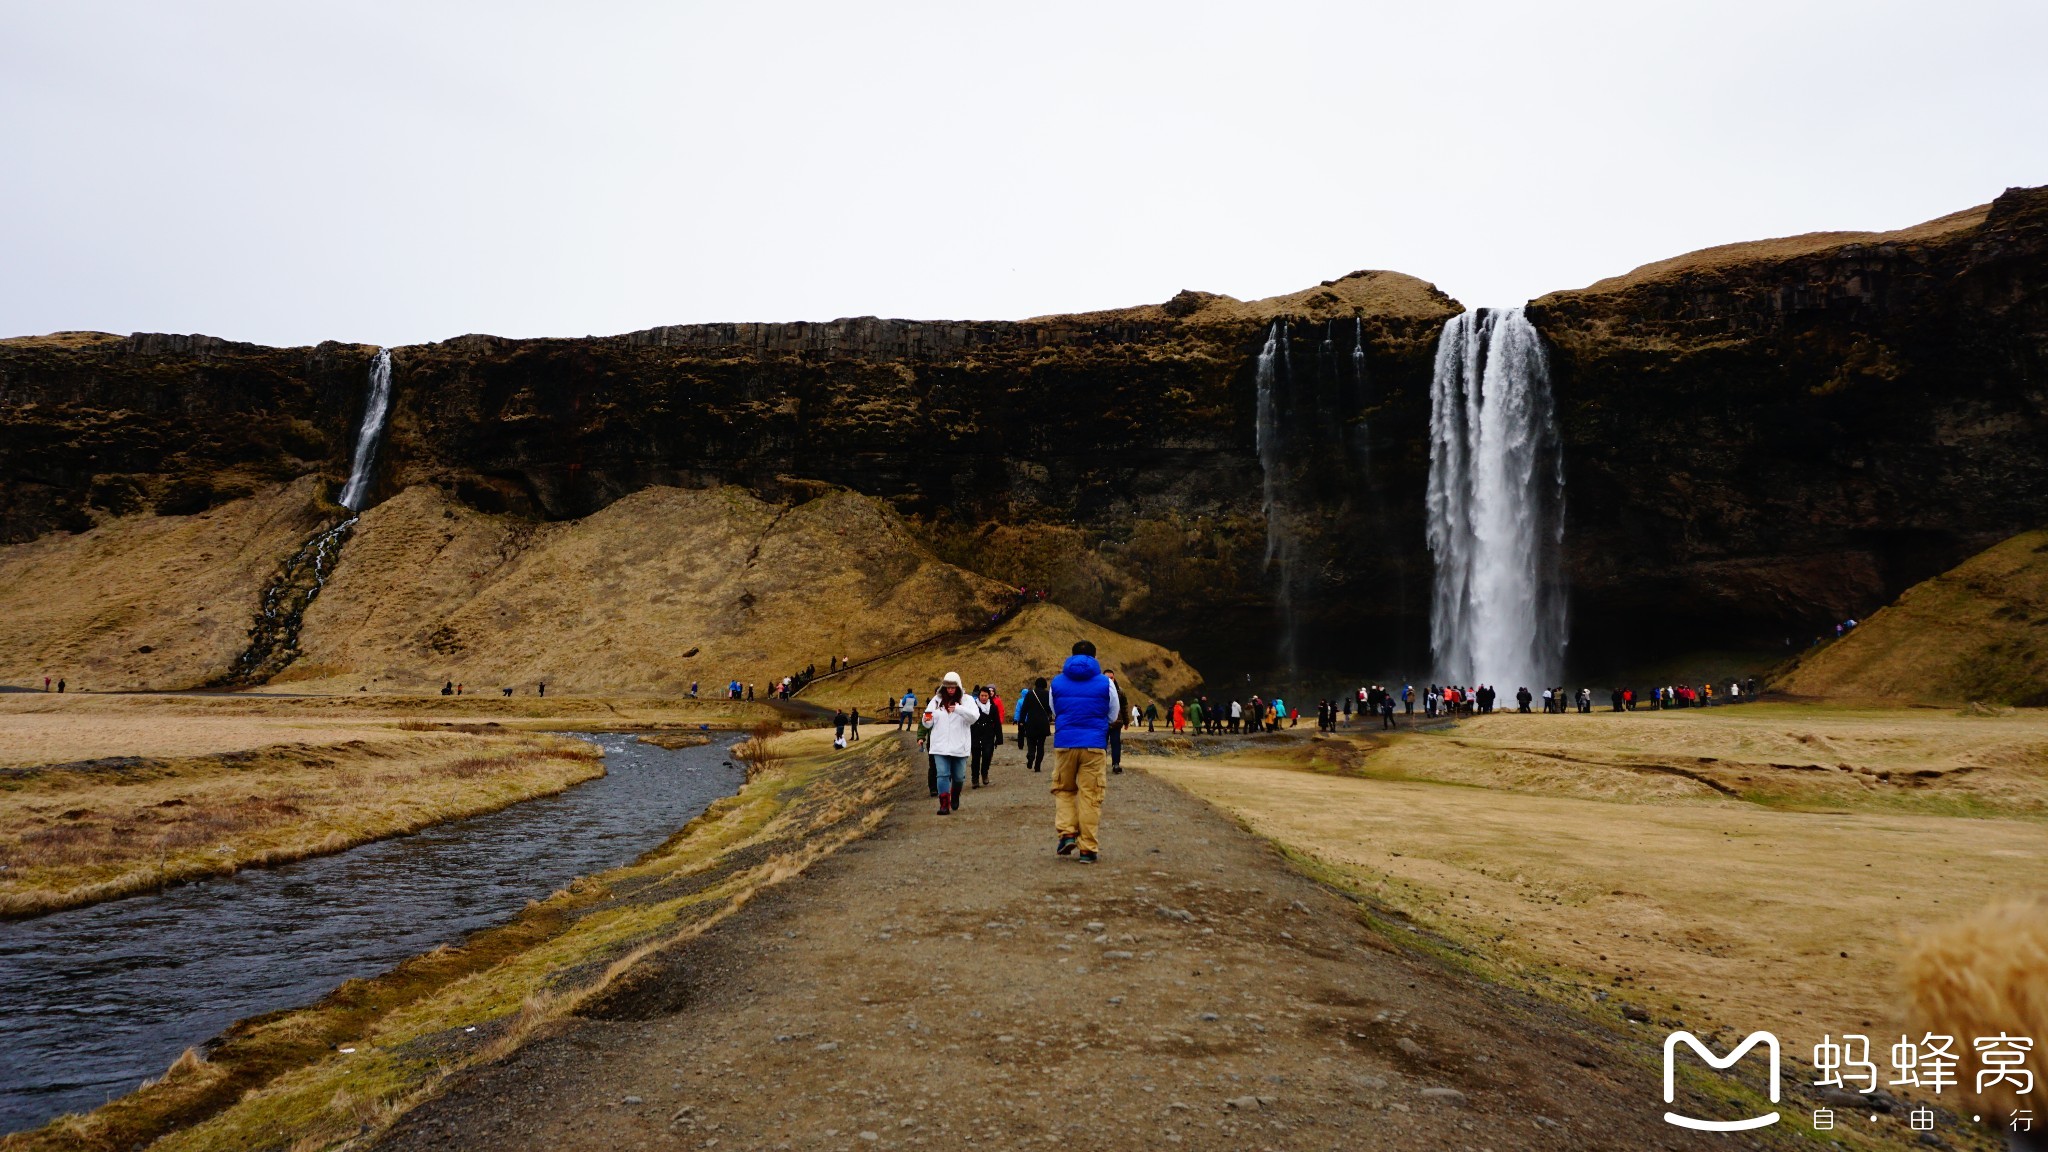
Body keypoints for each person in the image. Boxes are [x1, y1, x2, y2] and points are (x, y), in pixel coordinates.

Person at [1049, 640, 1115, 863]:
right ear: (1095, 658)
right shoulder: (1106, 683)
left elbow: (1054, 709)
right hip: (1094, 745)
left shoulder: (1057, 682)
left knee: (1064, 789)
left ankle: (1067, 833)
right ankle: (1087, 849)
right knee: (1090, 795)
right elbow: (1113, 714)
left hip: (1065, 743)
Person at [924, 672, 980, 814]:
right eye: (947, 687)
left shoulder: (967, 700)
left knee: (958, 777)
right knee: (942, 774)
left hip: (959, 746)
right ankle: (944, 804)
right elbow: (927, 721)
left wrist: (958, 709)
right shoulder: (936, 701)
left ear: (958, 687)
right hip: (940, 746)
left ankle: (955, 795)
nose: (950, 690)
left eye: (953, 687)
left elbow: (974, 717)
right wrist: (926, 720)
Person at [1015, 677, 1053, 773]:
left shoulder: (1030, 694)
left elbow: (1024, 709)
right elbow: (1050, 709)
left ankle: (1030, 756)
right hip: (1043, 723)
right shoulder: (1048, 694)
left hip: (1031, 722)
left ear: (1036, 684)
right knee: (1041, 745)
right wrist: (1049, 716)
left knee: (1031, 743)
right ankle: (1037, 766)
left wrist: (1021, 721)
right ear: (1044, 685)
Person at [969, 687, 999, 788]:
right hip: (976, 735)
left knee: (987, 756)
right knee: (975, 759)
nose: (984, 697)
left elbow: (997, 722)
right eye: (982, 695)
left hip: (988, 735)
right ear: (979, 696)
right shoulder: (973, 706)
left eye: (986, 696)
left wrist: (999, 738)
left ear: (989, 696)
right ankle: (975, 779)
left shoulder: (993, 707)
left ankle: (984, 772)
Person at [1105, 671, 1127, 775]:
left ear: (1114, 678)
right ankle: (1100, 764)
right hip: (1102, 723)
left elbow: (1124, 707)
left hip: (1116, 722)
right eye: (1107, 677)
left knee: (1116, 744)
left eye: (1112, 677)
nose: (1110, 679)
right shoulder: (1098, 690)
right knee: (1101, 744)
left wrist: (1126, 721)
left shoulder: (1120, 691)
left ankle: (1116, 764)